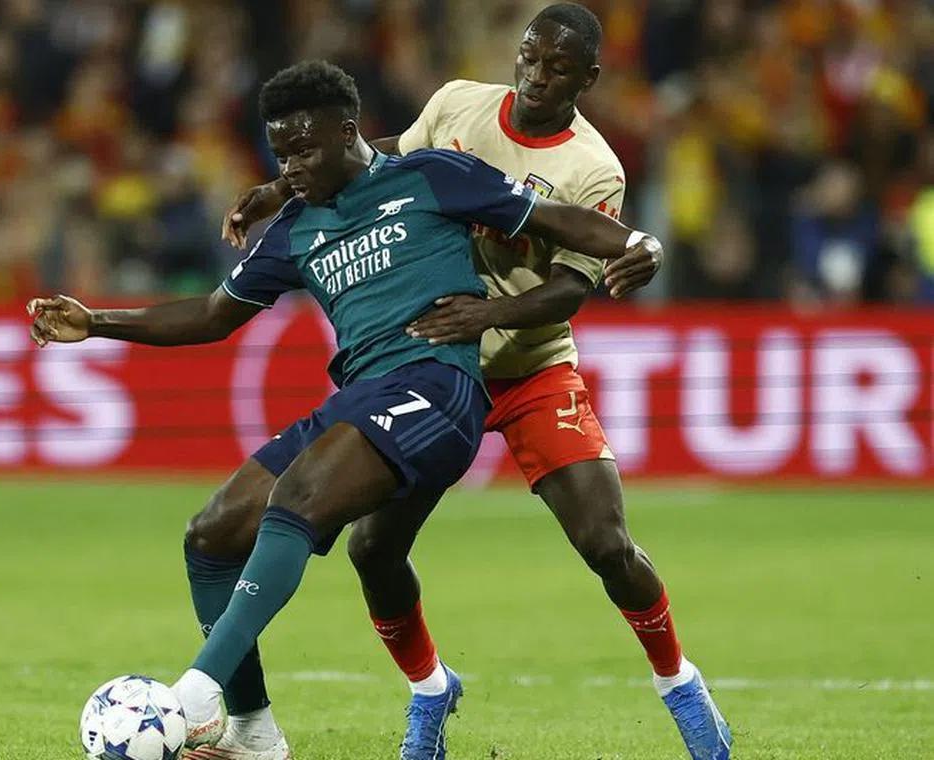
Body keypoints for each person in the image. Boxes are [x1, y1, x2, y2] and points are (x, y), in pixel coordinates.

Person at [27, 59, 658, 756]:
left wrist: (636, 242)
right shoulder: (296, 228)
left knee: (296, 497)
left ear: (349, 131)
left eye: (304, 149)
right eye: (281, 154)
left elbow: (556, 219)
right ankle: (253, 733)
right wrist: (97, 322)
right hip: (361, 396)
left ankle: (197, 691)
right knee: (211, 534)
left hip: (437, 388)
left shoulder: (431, 175)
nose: (292, 167)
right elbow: (212, 315)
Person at [218, 5, 732, 760]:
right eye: (530, 56)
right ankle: (429, 690)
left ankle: (679, 683)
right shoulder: (459, 103)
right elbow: (381, 157)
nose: (536, 74)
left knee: (606, 543)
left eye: (558, 68)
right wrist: (279, 188)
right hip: (430, 373)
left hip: (529, 368)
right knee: (373, 550)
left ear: (588, 79)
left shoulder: (594, 167)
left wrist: (487, 313)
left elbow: (570, 287)